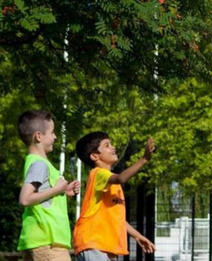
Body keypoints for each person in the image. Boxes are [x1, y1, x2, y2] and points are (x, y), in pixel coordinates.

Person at [73, 132, 156, 261]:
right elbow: (121, 178)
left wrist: (138, 236)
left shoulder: (112, 184)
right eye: (107, 145)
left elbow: (118, 219)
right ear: (95, 156)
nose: (113, 147)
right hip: (93, 242)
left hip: (106, 246)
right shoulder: (98, 174)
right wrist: (144, 159)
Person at [17, 110, 81, 261]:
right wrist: (56, 189)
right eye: (52, 132)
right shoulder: (39, 164)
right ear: (38, 136)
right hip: (47, 242)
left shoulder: (39, 163)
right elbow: (25, 199)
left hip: (41, 241)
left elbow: (43, 194)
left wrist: (63, 191)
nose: (55, 137)